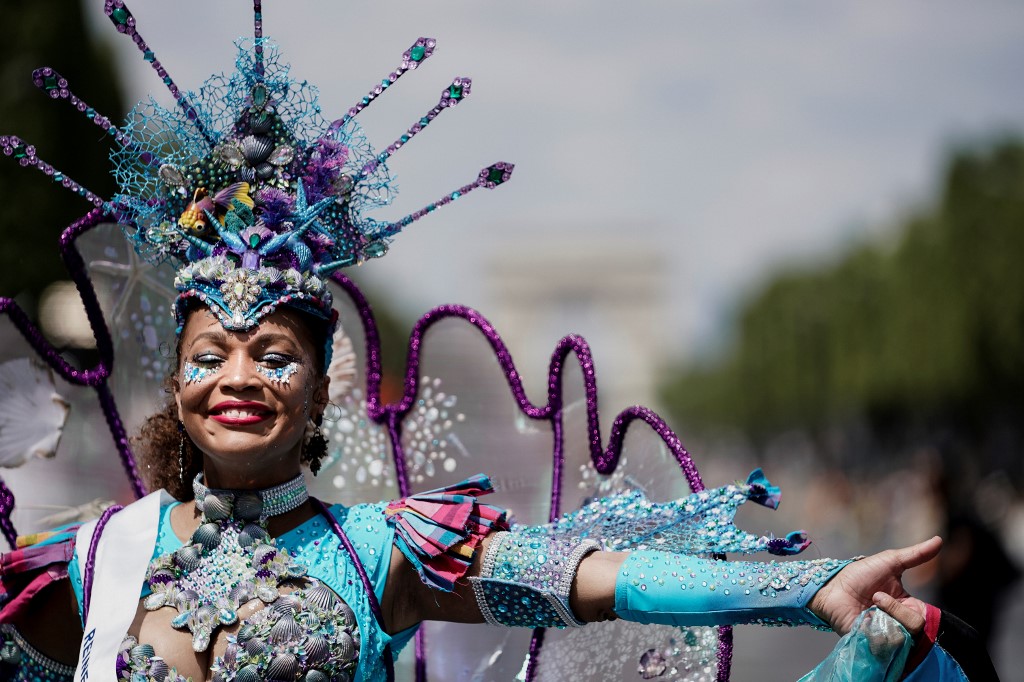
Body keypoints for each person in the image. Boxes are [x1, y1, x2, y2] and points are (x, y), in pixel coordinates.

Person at [0, 3, 995, 681]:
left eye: (274, 356)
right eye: (210, 355)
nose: (239, 379)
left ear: (322, 385)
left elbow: (604, 578)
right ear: (175, 380)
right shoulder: (93, 557)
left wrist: (809, 586)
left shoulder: (385, 551)